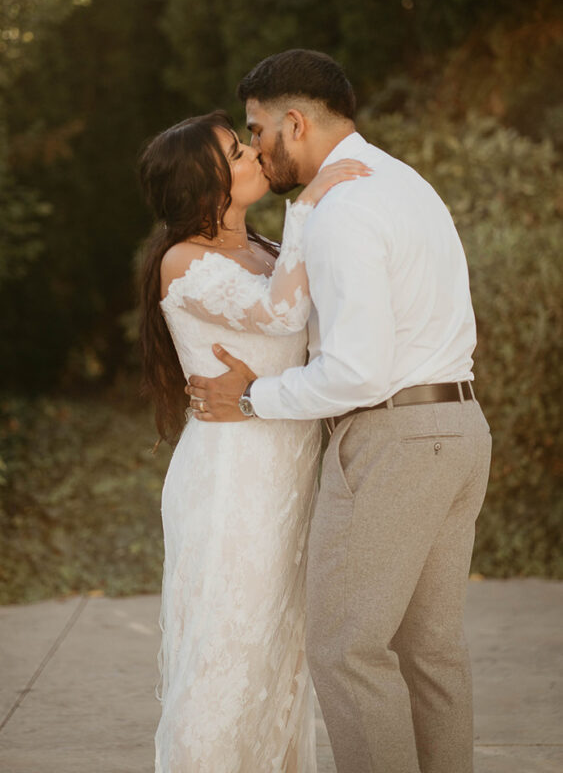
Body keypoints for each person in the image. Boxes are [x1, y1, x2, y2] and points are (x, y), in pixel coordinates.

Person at [188, 50, 492, 773]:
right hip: (457, 429)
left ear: (294, 123)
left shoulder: (342, 208)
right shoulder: (397, 182)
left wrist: (254, 397)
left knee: (344, 649)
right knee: (431, 654)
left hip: (392, 441)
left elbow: (355, 370)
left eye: (258, 129)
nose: (256, 146)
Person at [138, 109, 371, 773]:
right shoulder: (182, 261)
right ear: (203, 184)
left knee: (278, 655)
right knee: (225, 653)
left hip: (289, 472)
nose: (253, 156)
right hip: (231, 479)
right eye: (235, 153)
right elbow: (282, 312)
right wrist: (310, 207)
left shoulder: (266, 251)